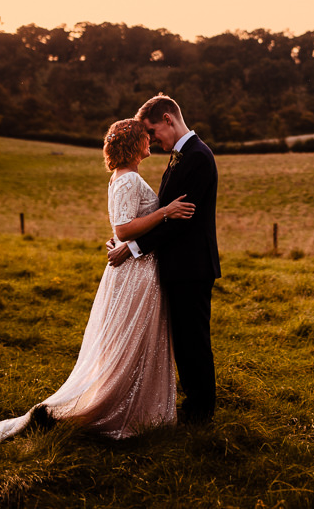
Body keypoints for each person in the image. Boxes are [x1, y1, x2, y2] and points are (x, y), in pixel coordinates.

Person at [0, 118, 194, 448]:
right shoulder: (127, 181)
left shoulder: (125, 178)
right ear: (133, 145)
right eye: (145, 136)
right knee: (130, 341)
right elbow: (124, 229)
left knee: (136, 341)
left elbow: (121, 231)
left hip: (137, 267)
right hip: (135, 272)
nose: (149, 140)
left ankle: (138, 407)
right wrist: (165, 211)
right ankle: (119, 409)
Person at [107, 93, 220, 424]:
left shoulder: (197, 156)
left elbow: (178, 221)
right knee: (184, 341)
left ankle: (201, 411)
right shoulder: (182, 156)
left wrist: (132, 247)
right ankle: (193, 405)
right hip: (180, 264)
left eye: (153, 131)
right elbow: (164, 214)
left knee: (193, 340)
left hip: (192, 265)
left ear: (168, 119)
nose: (152, 140)